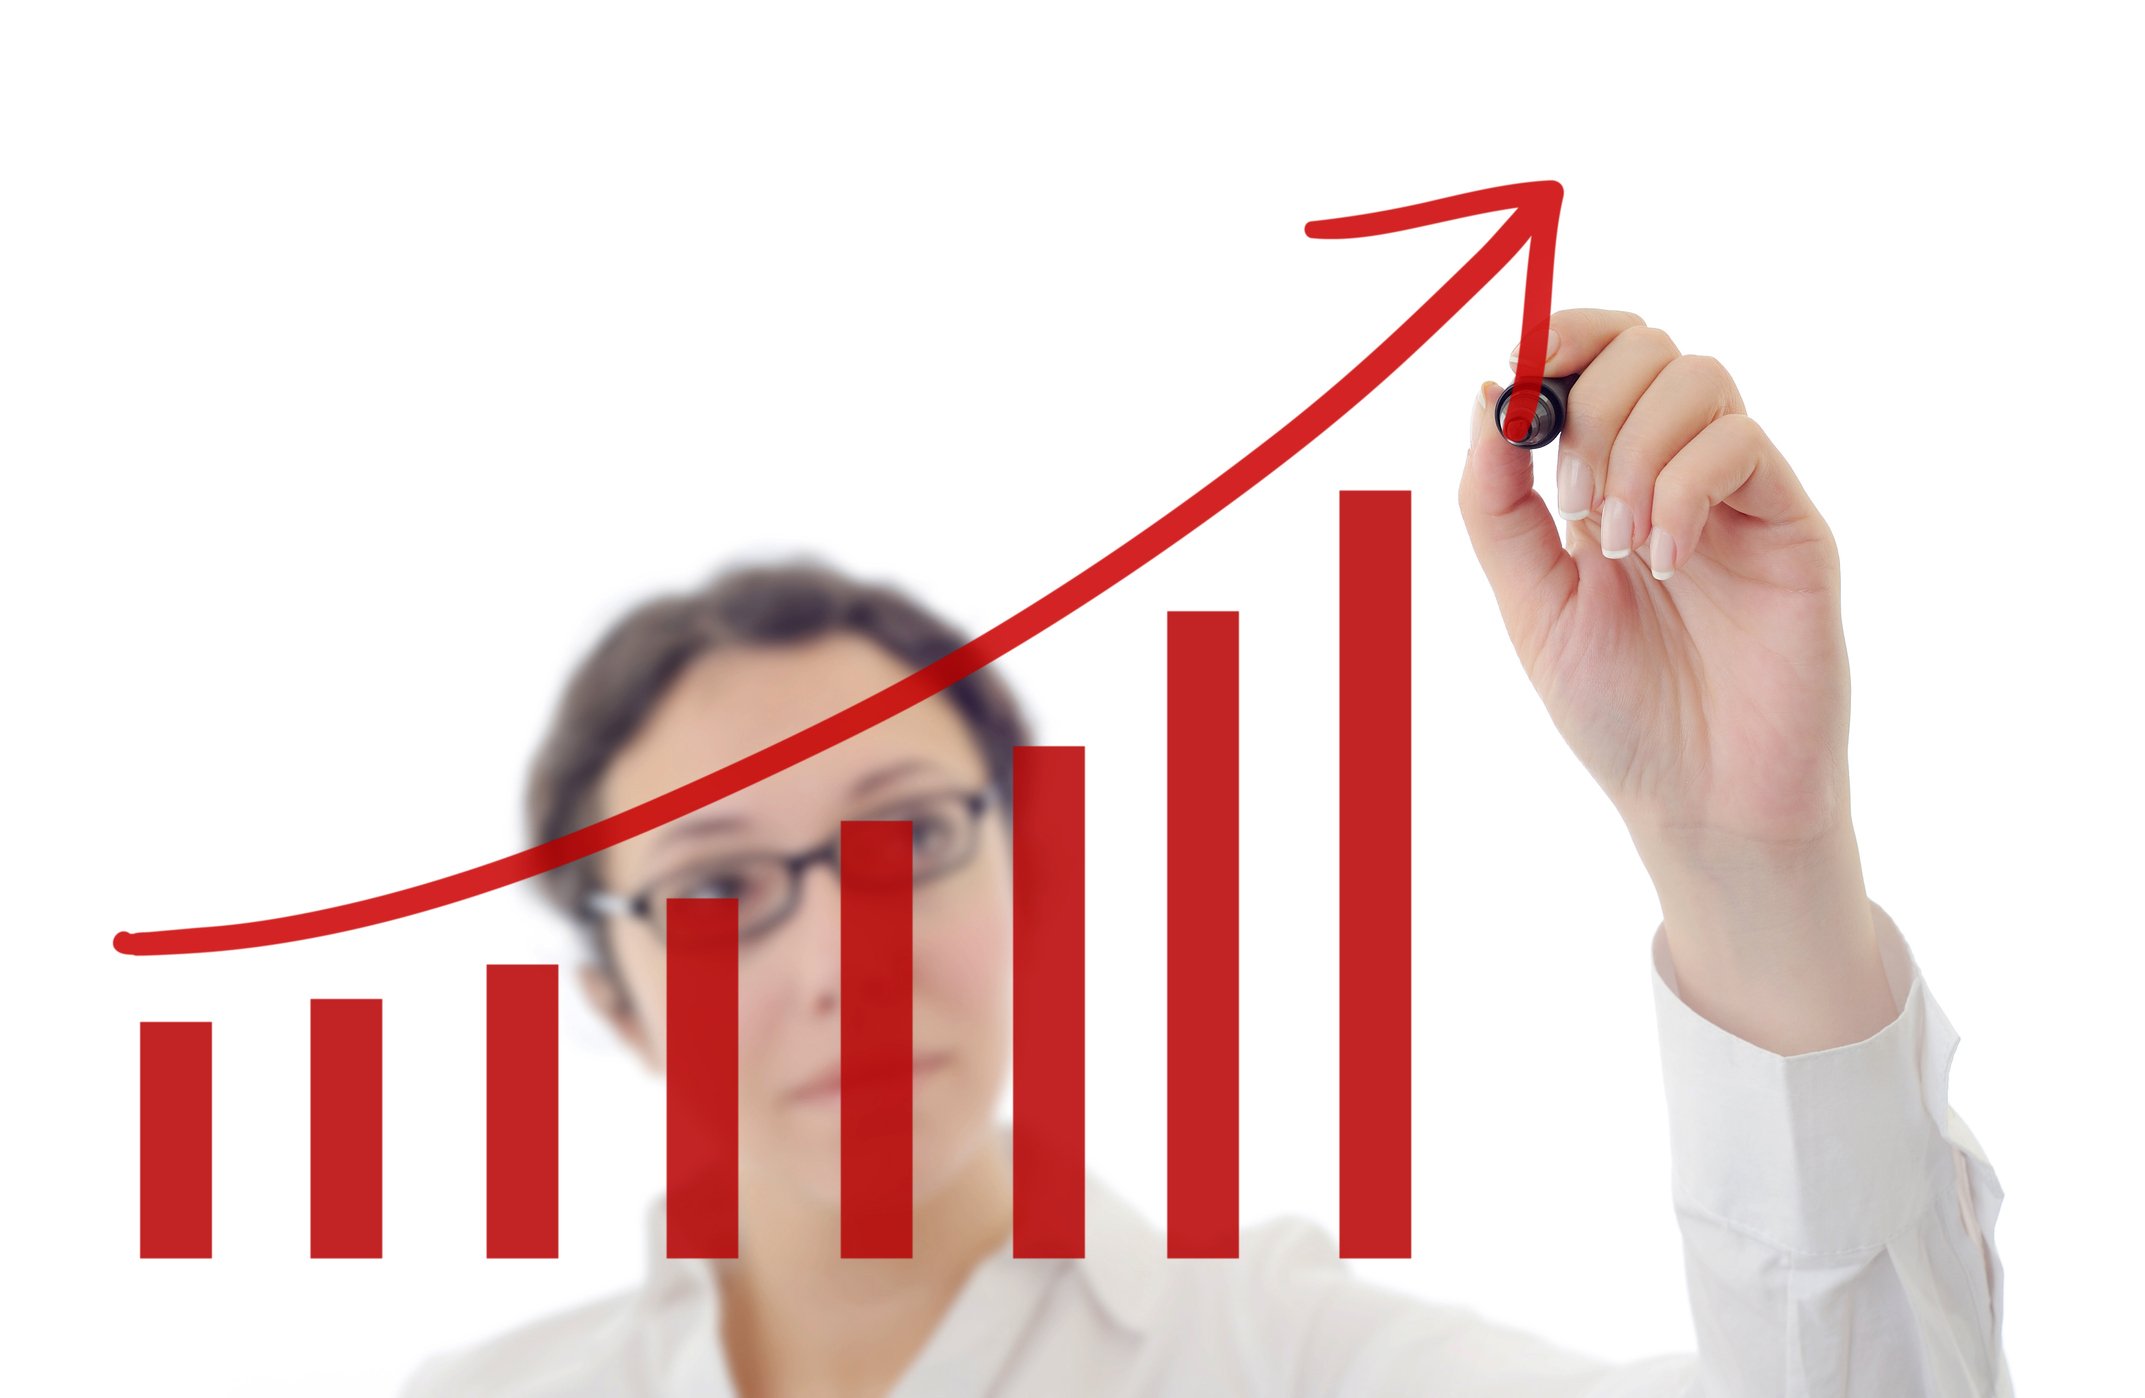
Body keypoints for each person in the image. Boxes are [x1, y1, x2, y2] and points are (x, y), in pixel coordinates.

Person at [403, 308, 2011, 1396]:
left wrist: (1749, 859)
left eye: (903, 836)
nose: (840, 957)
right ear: (612, 991)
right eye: (711, 888)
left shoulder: (1278, 1358)